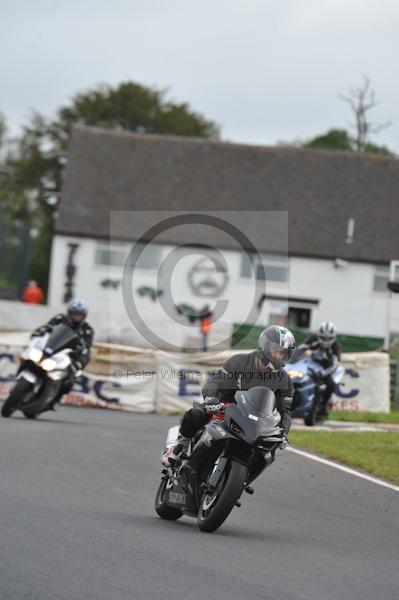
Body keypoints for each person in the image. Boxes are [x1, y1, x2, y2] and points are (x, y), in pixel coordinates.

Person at [162, 325, 296, 466]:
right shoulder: (239, 361)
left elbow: (284, 411)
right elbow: (214, 382)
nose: (279, 356)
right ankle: (178, 448)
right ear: (265, 346)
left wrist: (284, 433)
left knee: (268, 450)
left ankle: (243, 477)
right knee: (195, 415)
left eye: (283, 353)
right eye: (276, 351)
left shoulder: (285, 380)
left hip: (256, 420)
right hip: (223, 408)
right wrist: (211, 398)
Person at [31, 299, 94, 407]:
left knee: (80, 363)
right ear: (69, 312)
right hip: (53, 348)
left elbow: (87, 345)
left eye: (79, 314)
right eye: (74, 313)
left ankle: (57, 396)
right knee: (33, 354)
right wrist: (39, 331)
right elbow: (48, 327)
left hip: (68, 354)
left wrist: (80, 353)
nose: (76, 316)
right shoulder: (60, 318)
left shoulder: (87, 329)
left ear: (84, 315)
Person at [299, 321, 341, 416]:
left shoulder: (336, 346)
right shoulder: (313, 339)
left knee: (331, 384)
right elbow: (300, 349)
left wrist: (324, 373)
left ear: (333, 337)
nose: (326, 340)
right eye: (323, 337)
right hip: (309, 365)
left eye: (329, 338)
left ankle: (324, 404)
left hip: (324, 369)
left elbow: (335, 364)